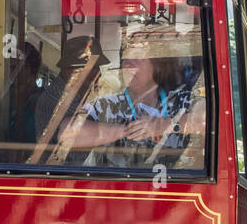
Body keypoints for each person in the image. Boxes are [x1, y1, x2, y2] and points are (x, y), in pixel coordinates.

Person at [56, 25, 203, 167]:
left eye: (138, 57)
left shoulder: (180, 99)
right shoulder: (106, 101)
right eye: (125, 57)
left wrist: (162, 125)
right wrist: (125, 130)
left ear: (157, 65)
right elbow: (65, 133)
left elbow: (207, 119)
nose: (128, 64)